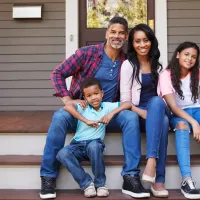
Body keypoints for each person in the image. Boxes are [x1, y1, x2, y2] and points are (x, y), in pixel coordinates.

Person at [40, 17, 150, 199]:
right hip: (81, 111)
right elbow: (57, 73)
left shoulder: (127, 62)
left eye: (121, 32)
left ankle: (130, 176)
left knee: (130, 118)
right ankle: (48, 176)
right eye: (113, 32)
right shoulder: (87, 53)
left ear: (126, 36)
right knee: (59, 117)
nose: (117, 36)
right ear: (107, 34)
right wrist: (67, 100)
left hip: (107, 113)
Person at [56, 77, 131, 198]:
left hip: (94, 145)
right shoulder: (83, 106)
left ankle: (100, 184)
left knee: (94, 146)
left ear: (102, 93)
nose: (93, 97)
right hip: (78, 145)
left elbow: (127, 104)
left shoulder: (106, 107)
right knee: (62, 154)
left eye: (96, 93)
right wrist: (86, 120)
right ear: (85, 98)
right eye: (89, 95)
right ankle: (86, 184)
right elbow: (67, 106)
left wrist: (111, 114)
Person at [120, 24, 169, 198]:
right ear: (132, 44)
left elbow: (164, 96)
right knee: (162, 121)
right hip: (138, 111)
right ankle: (158, 179)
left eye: (146, 40)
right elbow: (125, 100)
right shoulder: (127, 65)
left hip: (157, 109)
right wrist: (142, 113)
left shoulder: (159, 65)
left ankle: (150, 162)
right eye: (137, 41)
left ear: (151, 42)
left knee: (157, 103)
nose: (142, 45)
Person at [158, 41, 200, 199]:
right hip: (178, 113)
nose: (190, 59)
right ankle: (186, 180)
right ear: (178, 55)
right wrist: (194, 123)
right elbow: (173, 107)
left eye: (194, 57)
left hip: (197, 110)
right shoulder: (166, 75)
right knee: (182, 125)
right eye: (186, 54)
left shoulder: (197, 73)